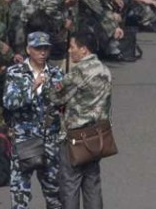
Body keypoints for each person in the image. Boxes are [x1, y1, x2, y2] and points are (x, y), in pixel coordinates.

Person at [50, 30, 112, 209]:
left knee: (70, 184)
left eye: (73, 47)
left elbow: (56, 96)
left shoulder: (78, 72)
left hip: (74, 135)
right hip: (97, 134)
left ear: (84, 50)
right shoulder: (104, 70)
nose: (70, 51)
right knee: (92, 183)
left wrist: (48, 85)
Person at [3, 31, 64, 209]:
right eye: (38, 48)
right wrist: (32, 88)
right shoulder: (15, 72)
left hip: (50, 139)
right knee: (20, 192)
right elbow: (9, 102)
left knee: (54, 191)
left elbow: (64, 104)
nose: (42, 53)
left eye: (45, 48)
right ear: (29, 49)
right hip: (25, 139)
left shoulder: (56, 73)